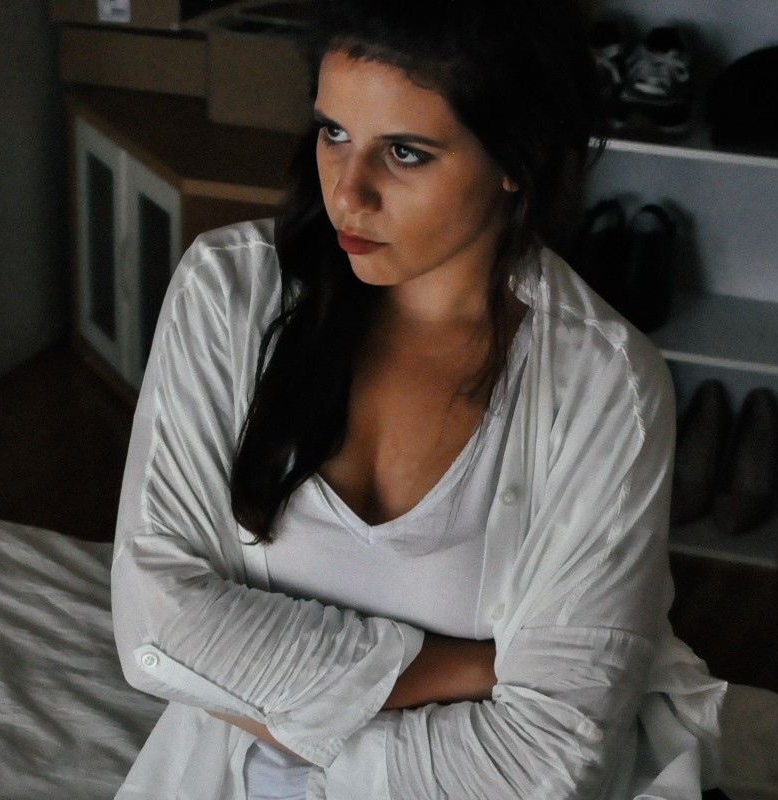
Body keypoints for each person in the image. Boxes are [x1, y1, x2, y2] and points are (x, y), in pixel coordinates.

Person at [111, 1, 727, 798]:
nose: (348, 194)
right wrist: (466, 667)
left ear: (517, 158)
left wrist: (291, 719)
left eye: (405, 152)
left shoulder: (606, 383)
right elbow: (156, 629)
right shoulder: (227, 291)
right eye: (334, 132)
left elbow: (545, 767)